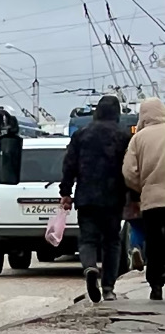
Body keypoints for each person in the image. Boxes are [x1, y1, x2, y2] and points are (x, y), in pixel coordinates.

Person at [60, 94, 134, 302]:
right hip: (113, 197)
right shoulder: (122, 137)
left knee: (88, 239)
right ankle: (109, 288)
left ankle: (90, 267)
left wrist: (66, 192)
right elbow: (129, 170)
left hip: (86, 196)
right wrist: (133, 196)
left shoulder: (81, 135)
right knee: (112, 241)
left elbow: (69, 165)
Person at [123, 97, 165, 301]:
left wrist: (143, 187)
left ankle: (156, 284)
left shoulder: (138, 139)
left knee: (155, 241)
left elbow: (129, 172)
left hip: (152, 199)